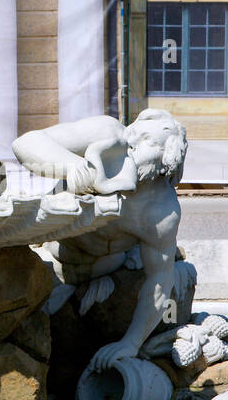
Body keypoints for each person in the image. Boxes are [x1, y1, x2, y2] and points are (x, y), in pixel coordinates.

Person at [12, 109, 188, 370]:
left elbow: (160, 281)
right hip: (47, 250)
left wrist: (131, 343)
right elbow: (25, 143)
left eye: (149, 143)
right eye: (135, 137)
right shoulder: (109, 133)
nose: (134, 146)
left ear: (167, 161)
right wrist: (75, 167)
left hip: (100, 268)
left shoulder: (161, 212)